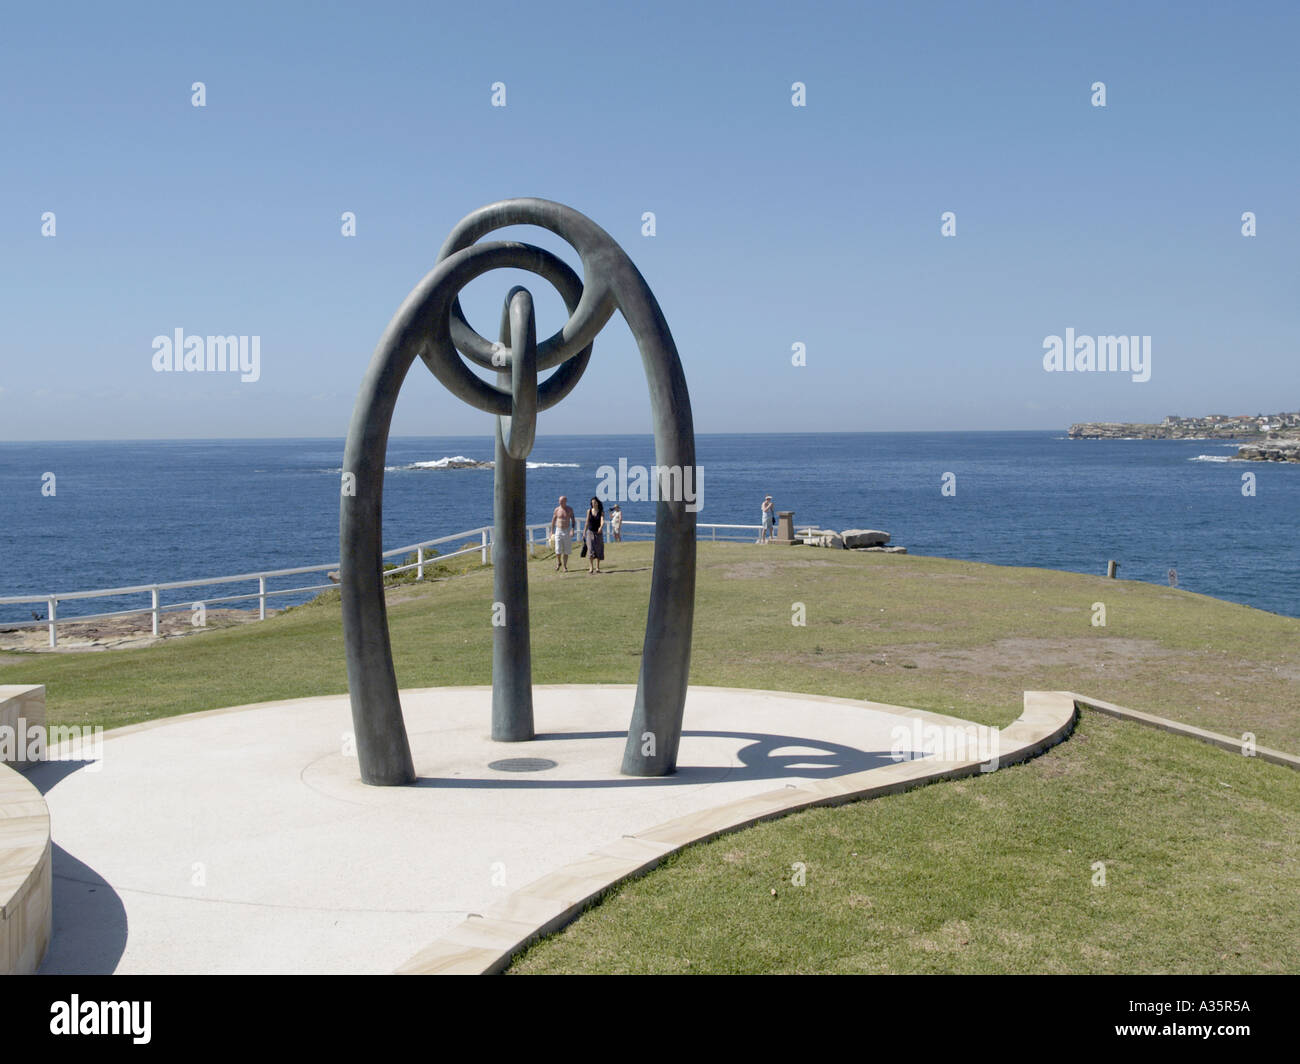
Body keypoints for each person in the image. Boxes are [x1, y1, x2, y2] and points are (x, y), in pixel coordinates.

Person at [549, 495, 576, 572]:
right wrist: (551, 531)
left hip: (567, 530)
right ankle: (559, 562)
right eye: (559, 501)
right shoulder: (557, 510)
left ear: (565, 501)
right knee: (558, 549)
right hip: (558, 530)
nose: (560, 502)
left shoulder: (569, 509)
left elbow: (573, 519)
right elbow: (553, 520)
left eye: (562, 501)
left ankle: (565, 566)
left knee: (566, 550)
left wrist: (572, 529)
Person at [584, 497, 606, 574]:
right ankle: (591, 568)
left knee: (598, 549)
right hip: (590, 532)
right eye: (592, 502)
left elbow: (602, 521)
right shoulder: (589, 511)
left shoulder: (601, 512)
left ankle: (597, 567)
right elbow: (587, 522)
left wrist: (601, 527)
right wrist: (584, 532)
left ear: (597, 503)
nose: (593, 504)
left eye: (595, 502)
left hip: (598, 533)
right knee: (590, 549)